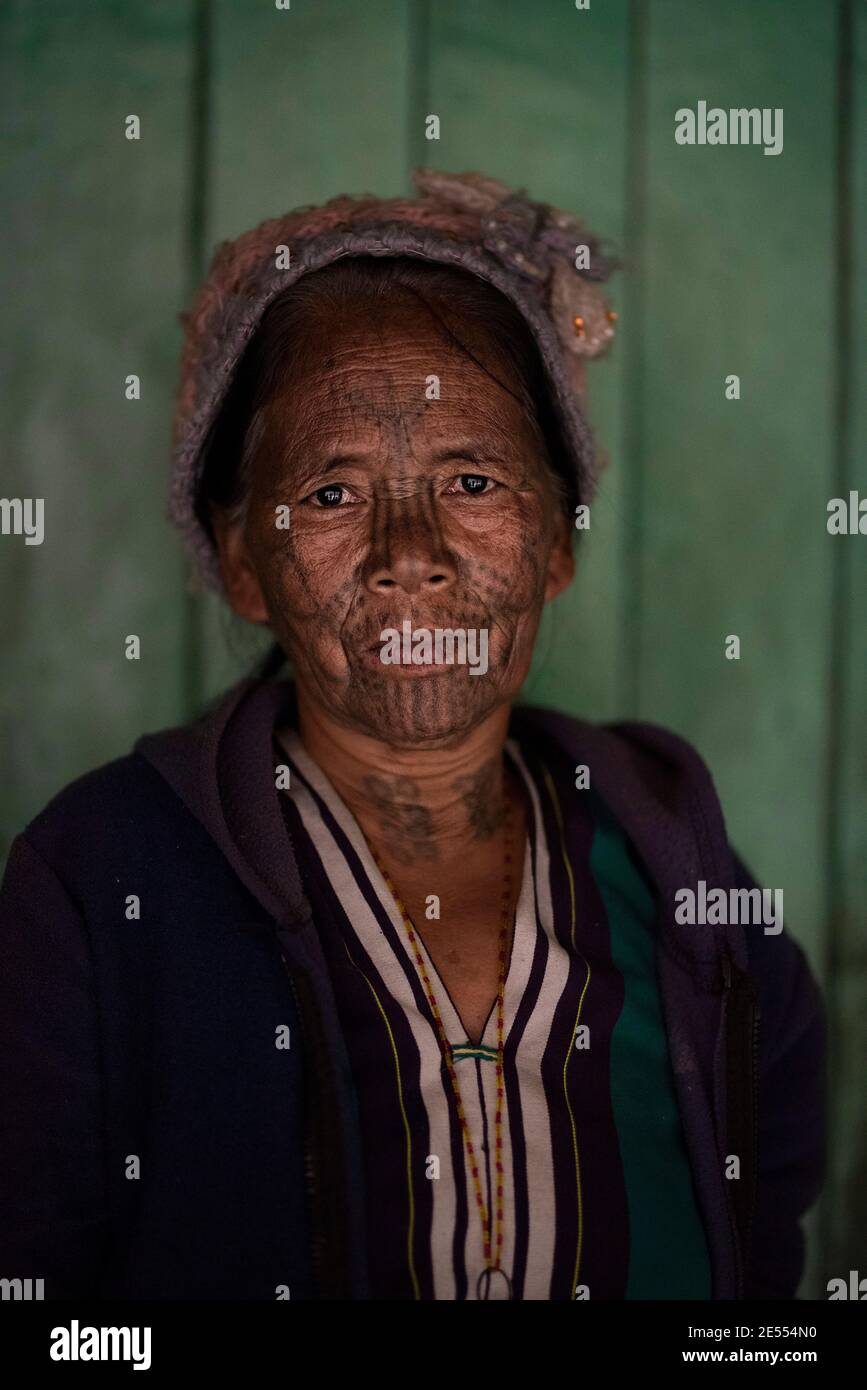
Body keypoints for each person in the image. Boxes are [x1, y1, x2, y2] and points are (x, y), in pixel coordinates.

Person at [0, 169, 825, 1301]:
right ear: (240, 560)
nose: (410, 552)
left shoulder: (687, 881)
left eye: (473, 480)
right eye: (333, 496)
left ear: (556, 544)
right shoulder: (98, 880)